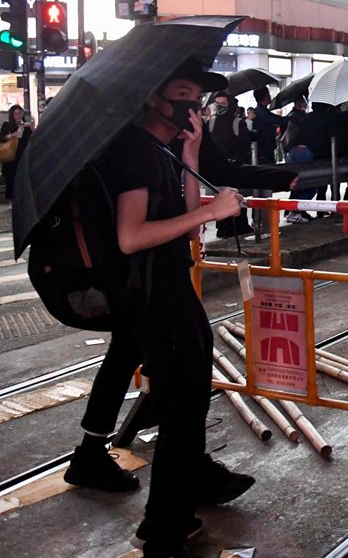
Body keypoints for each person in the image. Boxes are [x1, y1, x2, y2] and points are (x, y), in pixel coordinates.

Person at [64, 57, 253, 558]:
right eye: (183, 94)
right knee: (181, 413)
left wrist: (191, 151)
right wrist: (216, 210)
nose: (193, 105)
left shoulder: (160, 150)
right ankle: (161, 531)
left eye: (198, 98)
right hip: (154, 298)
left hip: (167, 291)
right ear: (153, 96)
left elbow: (187, 223)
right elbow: (130, 237)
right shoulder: (135, 151)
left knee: (185, 407)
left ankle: (178, 512)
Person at [207, 91, 254, 237]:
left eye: (223, 104)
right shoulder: (211, 122)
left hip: (233, 168)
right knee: (220, 198)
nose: (220, 107)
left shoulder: (237, 123)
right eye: (217, 104)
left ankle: (237, 227)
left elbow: (245, 146)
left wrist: (236, 162)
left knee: (235, 198)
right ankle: (223, 228)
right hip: (216, 168)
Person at [1, 104, 34, 202]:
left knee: (24, 178)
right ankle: (11, 200)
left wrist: (31, 128)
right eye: (16, 113)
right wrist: (12, 135)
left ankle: (23, 200)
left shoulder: (26, 126)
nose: (18, 115)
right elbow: (2, 137)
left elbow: (34, 137)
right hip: (11, 155)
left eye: (20, 113)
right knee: (11, 179)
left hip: (23, 154)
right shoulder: (7, 125)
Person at [249, 87, 288, 164]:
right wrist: (292, 118)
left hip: (263, 149)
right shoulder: (262, 112)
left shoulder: (259, 111)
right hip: (264, 151)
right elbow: (278, 120)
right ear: (266, 96)